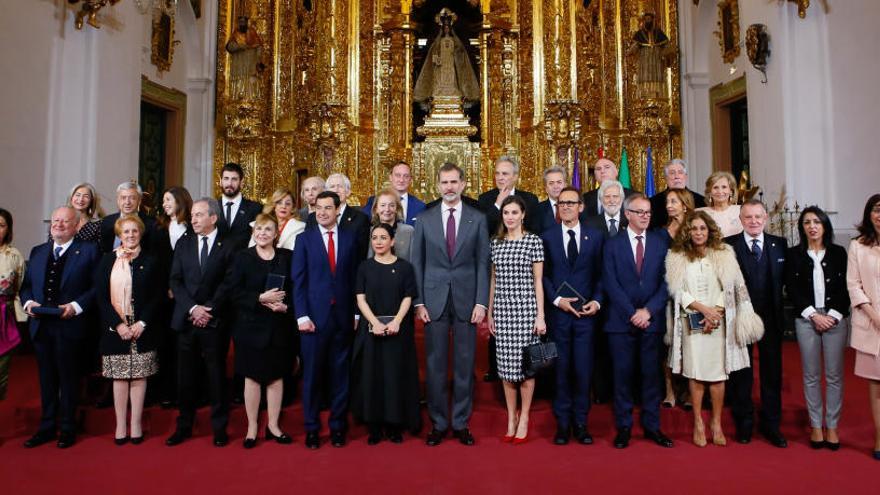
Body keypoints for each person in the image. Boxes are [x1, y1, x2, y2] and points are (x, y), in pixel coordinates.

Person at [411, 162, 489, 446]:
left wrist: (482, 301)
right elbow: (417, 263)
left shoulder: (477, 219)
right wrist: (419, 302)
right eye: (444, 182)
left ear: (463, 184)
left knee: (465, 363)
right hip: (433, 301)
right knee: (435, 365)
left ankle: (460, 422)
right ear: (437, 185)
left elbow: (483, 263)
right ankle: (439, 423)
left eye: (454, 182)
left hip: (468, 301)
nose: (449, 187)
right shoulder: (424, 218)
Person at [665, 211, 759, 447]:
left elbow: (731, 285)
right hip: (691, 321)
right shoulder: (677, 256)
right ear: (688, 231)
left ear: (710, 231)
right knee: (696, 374)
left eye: (703, 229)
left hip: (719, 322)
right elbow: (677, 291)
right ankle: (698, 422)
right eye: (694, 228)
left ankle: (716, 423)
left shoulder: (724, 253)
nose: (698, 233)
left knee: (718, 375)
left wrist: (714, 312)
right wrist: (701, 309)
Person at [20, 206, 100, 448]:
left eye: (65, 221)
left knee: (69, 379)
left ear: (76, 226)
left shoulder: (89, 251)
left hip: (71, 325)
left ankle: (67, 428)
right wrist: (28, 302)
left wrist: (75, 306)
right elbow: (26, 287)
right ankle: (46, 427)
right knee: (46, 380)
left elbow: (97, 288)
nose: (59, 224)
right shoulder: (38, 251)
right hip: (41, 326)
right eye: (55, 220)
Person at [602, 193, 673, 449]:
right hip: (620, 323)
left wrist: (648, 311)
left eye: (648, 212)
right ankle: (623, 428)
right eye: (640, 212)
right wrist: (632, 312)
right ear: (627, 214)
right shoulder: (612, 244)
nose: (645, 216)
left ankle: (653, 427)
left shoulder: (661, 243)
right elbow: (610, 282)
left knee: (651, 376)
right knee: (622, 378)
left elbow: (667, 282)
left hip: (651, 322)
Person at [166, 198, 237, 448]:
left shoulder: (228, 245)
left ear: (213, 218)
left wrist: (209, 309)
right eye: (193, 215)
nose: (193, 219)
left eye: (198, 215)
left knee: (216, 376)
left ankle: (219, 428)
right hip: (186, 320)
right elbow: (175, 280)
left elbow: (229, 283)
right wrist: (193, 308)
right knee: (185, 378)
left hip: (214, 321)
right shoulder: (184, 243)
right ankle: (184, 426)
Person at [293, 191, 360, 449]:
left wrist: (355, 312)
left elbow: (355, 279)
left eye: (327, 208)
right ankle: (311, 428)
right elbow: (298, 281)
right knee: (311, 376)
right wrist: (301, 315)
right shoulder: (304, 240)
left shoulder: (350, 238)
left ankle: (338, 427)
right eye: (318, 208)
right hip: (313, 320)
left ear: (337, 209)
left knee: (341, 375)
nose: (322, 212)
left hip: (343, 318)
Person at [540, 188, 604, 445]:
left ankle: (581, 423)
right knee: (561, 370)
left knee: (583, 371)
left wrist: (598, 302)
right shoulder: (546, 237)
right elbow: (542, 276)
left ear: (580, 207)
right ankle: (562, 424)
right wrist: (556, 299)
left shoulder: (596, 237)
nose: (565, 206)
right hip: (559, 316)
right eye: (561, 203)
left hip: (587, 317)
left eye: (570, 203)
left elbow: (602, 274)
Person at [724, 199, 788, 447]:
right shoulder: (728, 246)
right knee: (742, 375)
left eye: (758, 217)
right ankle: (744, 424)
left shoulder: (780, 245)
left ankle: (772, 425)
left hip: (771, 321)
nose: (753, 221)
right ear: (740, 220)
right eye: (748, 217)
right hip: (740, 320)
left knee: (772, 375)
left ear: (766, 218)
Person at [352, 223, 421, 444]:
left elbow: (408, 297)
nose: (379, 241)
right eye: (375, 238)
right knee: (372, 376)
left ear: (393, 241)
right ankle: (374, 425)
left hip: (397, 330)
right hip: (371, 330)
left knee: (394, 375)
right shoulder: (364, 267)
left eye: (383, 237)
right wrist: (374, 323)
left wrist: (397, 321)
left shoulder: (405, 268)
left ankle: (394, 424)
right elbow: (360, 298)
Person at [229, 214, 294, 449]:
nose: (263, 233)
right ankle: (252, 427)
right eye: (259, 229)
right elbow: (233, 292)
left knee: (276, 377)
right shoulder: (242, 258)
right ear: (253, 232)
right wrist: (259, 298)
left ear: (276, 233)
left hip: (279, 325)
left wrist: (286, 307)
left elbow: (296, 289)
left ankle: (274, 425)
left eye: (268, 229)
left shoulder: (287, 257)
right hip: (250, 326)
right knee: (253, 378)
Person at [94, 216, 160, 445]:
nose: (130, 235)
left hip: (142, 327)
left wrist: (142, 323)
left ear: (140, 233)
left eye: (134, 231)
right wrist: (118, 325)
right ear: (119, 236)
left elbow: (156, 296)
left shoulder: (151, 260)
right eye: (126, 232)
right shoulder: (107, 260)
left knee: (139, 377)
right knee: (120, 378)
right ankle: (121, 424)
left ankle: (136, 424)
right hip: (116, 328)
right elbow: (101, 297)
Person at [787, 206, 849, 450]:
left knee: (834, 376)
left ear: (825, 226)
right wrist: (813, 315)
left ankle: (831, 426)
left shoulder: (839, 253)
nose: (812, 226)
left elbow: (847, 286)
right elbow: (792, 288)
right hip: (807, 319)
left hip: (835, 319)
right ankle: (815, 425)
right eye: (807, 222)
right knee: (811, 375)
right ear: (802, 227)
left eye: (817, 222)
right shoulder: (794, 254)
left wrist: (832, 316)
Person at [487, 196, 546, 444]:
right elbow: (493, 280)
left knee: (526, 369)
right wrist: (490, 311)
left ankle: (525, 418)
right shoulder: (496, 244)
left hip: (526, 311)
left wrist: (541, 315)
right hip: (502, 311)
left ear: (523, 214)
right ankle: (511, 417)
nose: (509, 217)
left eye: (514, 212)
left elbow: (538, 281)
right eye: (505, 213)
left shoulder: (534, 241)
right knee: (506, 371)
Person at [479, 155, 539, 381]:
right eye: (498, 173)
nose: (501, 177)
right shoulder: (485, 199)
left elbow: (533, 230)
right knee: (498, 326)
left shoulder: (530, 199)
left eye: (505, 173)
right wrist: (497, 205)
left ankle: (526, 371)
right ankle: (495, 370)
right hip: (497, 266)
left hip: (523, 268)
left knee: (523, 332)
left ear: (515, 176)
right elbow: (483, 230)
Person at [150, 186, 194, 408]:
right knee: (165, 343)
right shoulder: (158, 227)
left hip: (187, 295)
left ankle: (187, 391)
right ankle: (165, 391)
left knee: (185, 345)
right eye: (164, 200)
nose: (165, 204)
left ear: (180, 201)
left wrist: (179, 289)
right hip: (163, 295)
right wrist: (166, 287)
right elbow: (155, 263)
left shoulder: (192, 228)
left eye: (169, 200)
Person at [846, 193, 880, 460]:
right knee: (876, 383)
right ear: (869, 214)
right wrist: (874, 315)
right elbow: (853, 285)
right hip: (872, 323)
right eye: (876, 210)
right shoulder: (858, 245)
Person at [659, 187, 696, 409]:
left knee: (692, 344)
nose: (669, 205)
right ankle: (670, 391)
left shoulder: (695, 229)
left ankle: (692, 392)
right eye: (667, 202)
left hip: (692, 296)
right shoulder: (660, 232)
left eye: (674, 201)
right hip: (667, 296)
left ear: (685, 204)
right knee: (668, 345)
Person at [309, 173, 370, 259]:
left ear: (348, 192)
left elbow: (361, 253)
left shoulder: (360, 219)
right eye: (332, 186)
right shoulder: (313, 218)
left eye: (340, 186)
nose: (336, 190)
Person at [0, 209, 26, 401]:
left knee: (1, 371)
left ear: (8, 230)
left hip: (4, 315)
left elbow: (20, 287)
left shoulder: (14, 255)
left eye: (1, 225)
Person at [362, 162, 426, 226]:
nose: (401, 180)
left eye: (406, 176)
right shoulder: (373, 201)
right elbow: (363, 226)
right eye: (398, 175)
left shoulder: (420, 206)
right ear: (390, 177)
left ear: (410, 179)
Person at [216, 162, 263, 250]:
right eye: (226, 178)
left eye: (234, 179)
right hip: (217, 263)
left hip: (244, 261)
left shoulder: (255, 208)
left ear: (241, 182)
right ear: (220, 181)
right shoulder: (211, 207)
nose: (229, 183)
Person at [100, 181, 155, 253]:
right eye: (123, 198)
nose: (127, 202)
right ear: (118, 200)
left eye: (132, 198)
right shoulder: (107, 222)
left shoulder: (151, 224)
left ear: (139, 201)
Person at [649, 159, 706, 228]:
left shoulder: (701, 201)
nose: (677, 176)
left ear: (685, 176)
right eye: (672, 173)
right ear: (666, 178)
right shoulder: (653, 202)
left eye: (680, 172)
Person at [368, 188, 414, 260]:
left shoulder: (409, 232)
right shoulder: (369, 232)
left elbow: (413, 262)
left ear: (397, 209)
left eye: (391, 205)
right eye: (383, 205)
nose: (387, 209)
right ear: (376, 209)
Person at [698, 171, 743, 237]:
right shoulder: (700, 213)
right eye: (715, 187)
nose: (720, 191)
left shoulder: (742, 210)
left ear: (731, 191)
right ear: (709, 192)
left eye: (724, 187)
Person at [533, 166, 567, 234]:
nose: (555, 186)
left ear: (565, 185)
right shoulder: (537, 210)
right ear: (546, 188)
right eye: (551, 183)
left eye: (559, 182)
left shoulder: (575, 207)